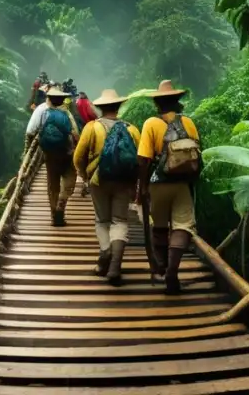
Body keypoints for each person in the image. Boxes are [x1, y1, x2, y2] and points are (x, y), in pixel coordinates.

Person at [137, 80, 201, 294]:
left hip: (158, 184)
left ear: (157, 103)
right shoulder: (189, 123)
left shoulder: (151, 124)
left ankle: (163, 266)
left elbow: (144, 159)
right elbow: (197, 154)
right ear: (177, 101)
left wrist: (142, 187)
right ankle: (173, 270)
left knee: (160, 227)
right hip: (182, 184)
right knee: (183, 226)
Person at [73, 89, 140, 286]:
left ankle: (105, 252)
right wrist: (135, 182)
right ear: (119, 107)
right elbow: (141, 158)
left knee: (102, 220)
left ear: (100, 108)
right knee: (120, 220)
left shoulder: (92, 127)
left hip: (98, 180)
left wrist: (85, 176)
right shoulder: (132, 129)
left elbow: (78, 157)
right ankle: (115, 266)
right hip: (124, 181)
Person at [25, 84, 79, 226]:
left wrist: (28, 153)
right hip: (67, 153)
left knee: (52, 184)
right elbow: (75, 133)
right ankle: (62, 200)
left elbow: (30, 132)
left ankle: (55, 215)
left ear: (48, 97)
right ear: (62, 99)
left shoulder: (41, 110)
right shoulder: (66, 112)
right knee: (70, 178)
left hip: (49, 154)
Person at [75, 91, 98, 197]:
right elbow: (93, 114)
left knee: (81, 157)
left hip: (79, 131)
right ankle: (88, 184)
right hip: (90, 129)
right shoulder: (88, 103)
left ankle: (84, 181)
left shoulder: (76, 103)